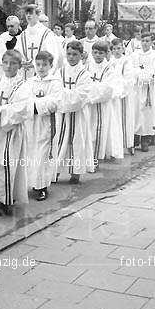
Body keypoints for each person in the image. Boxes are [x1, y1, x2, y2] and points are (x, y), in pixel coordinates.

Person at [0, 49, 31, 216]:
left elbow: (22, 109)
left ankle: (7, 202)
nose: (9, 66)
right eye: (6, 63)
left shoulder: (22, 85)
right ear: (2, 64)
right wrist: (1, 111)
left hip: (12, 132)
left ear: (19, 66)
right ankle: (2, 197)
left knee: (9, 164)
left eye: (13, 63)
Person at [54, 41, 94, 183]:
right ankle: (55, 171)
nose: (71, 57)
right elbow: (56, 91)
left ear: (81, 55)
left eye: (75, 54)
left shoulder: (84, 74)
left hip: (78, 114)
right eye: (69, 54)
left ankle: (75, 172)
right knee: (59, 139)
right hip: (62, 114)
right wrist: (67, 96)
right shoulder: (60, 72)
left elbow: (81, 95)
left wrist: (67, 96)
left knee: (77, 140)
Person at [26, 51, 63, 201]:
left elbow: (54, 102)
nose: (41, 68)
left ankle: (42, 187)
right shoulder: (30, 82)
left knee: (42, 154)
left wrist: (35, 105)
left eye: (44, 65)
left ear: (51, 65)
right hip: (31, 122)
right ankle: (33, 183)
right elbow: (23, 99)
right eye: (38, 64)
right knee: (31, 152)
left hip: (46, 122)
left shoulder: (55, 82)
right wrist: (34, 105)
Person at [84, 41, 117, 166]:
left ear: (105, 53)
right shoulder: (87, 66)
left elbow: (107, 88)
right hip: (88, 103)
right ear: (92, 52)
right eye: (95, 52)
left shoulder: (109, 69)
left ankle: (96, 158)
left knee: (98, 129)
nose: (97, 55)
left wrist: (92, 94)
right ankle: (87, 156)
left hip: (101, 104)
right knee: (87, 129)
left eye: (101, 53)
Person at [108, 38, 137, 156]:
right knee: (114, 120)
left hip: (123, 95)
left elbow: (129, 79)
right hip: (113, 95)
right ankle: (115, 146)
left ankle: (129, 144)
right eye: (114, 49)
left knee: (126, 119)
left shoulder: (126, 61)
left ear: (123, 48)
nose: (116, 51)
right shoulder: (110, 61)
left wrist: (121, 90)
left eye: (119, 48)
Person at [131, 32, 155, 152]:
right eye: (143, 41)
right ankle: (135, 137)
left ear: (152, 42)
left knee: (147, 114)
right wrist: (140, 74)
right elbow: (132, 69)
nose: (145, 43)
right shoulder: (135, 54)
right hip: (137, 87)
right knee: (136, 112)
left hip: (148, 88)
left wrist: (146, 76)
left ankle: (145, 139)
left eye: (147, 41)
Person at [19, 4, 62, 78]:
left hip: (41, 74)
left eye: (31, 13)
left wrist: (35, 64)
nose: (28, 16)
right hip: (25, 73)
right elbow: (17, 52)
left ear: (38, 14)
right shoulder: (23, 35)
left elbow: (52, 55)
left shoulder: (47, 34)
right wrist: (22, 62)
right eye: (27, 13)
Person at [0, 15, 22, 79]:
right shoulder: (2, 38)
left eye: (12, 26)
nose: (10, 28)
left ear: (18, 26)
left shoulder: (23, 37)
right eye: (8, 26)